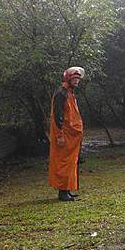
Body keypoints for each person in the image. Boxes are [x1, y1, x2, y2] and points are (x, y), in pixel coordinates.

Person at [48, 66, 85, 201]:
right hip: (64, 135)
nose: (77, 81)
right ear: (68, 78)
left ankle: (67, 189)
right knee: (63, 162)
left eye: (78, 79)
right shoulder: (61, 93)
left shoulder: (69, 92)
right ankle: (63, 193)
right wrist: (60, 136)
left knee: (70, 162)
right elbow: (57, 116)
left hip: (72, 136)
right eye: (74, 79)